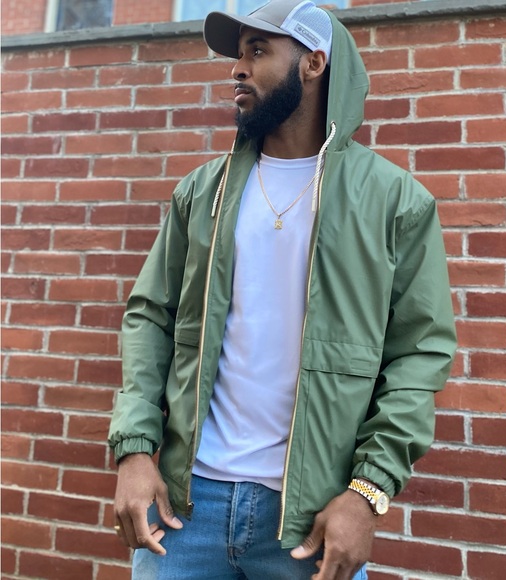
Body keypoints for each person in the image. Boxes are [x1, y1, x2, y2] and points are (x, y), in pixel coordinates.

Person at [108, 1, 457, 578]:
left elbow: (419, 355)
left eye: (258, 51)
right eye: (237, 54)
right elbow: (150, 317)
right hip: (185, 507)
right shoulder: (202, 192)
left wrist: (367, 493)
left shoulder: (395, 201)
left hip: (308, 519)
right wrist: (135, 450)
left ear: (313, 63)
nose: (237, 69)